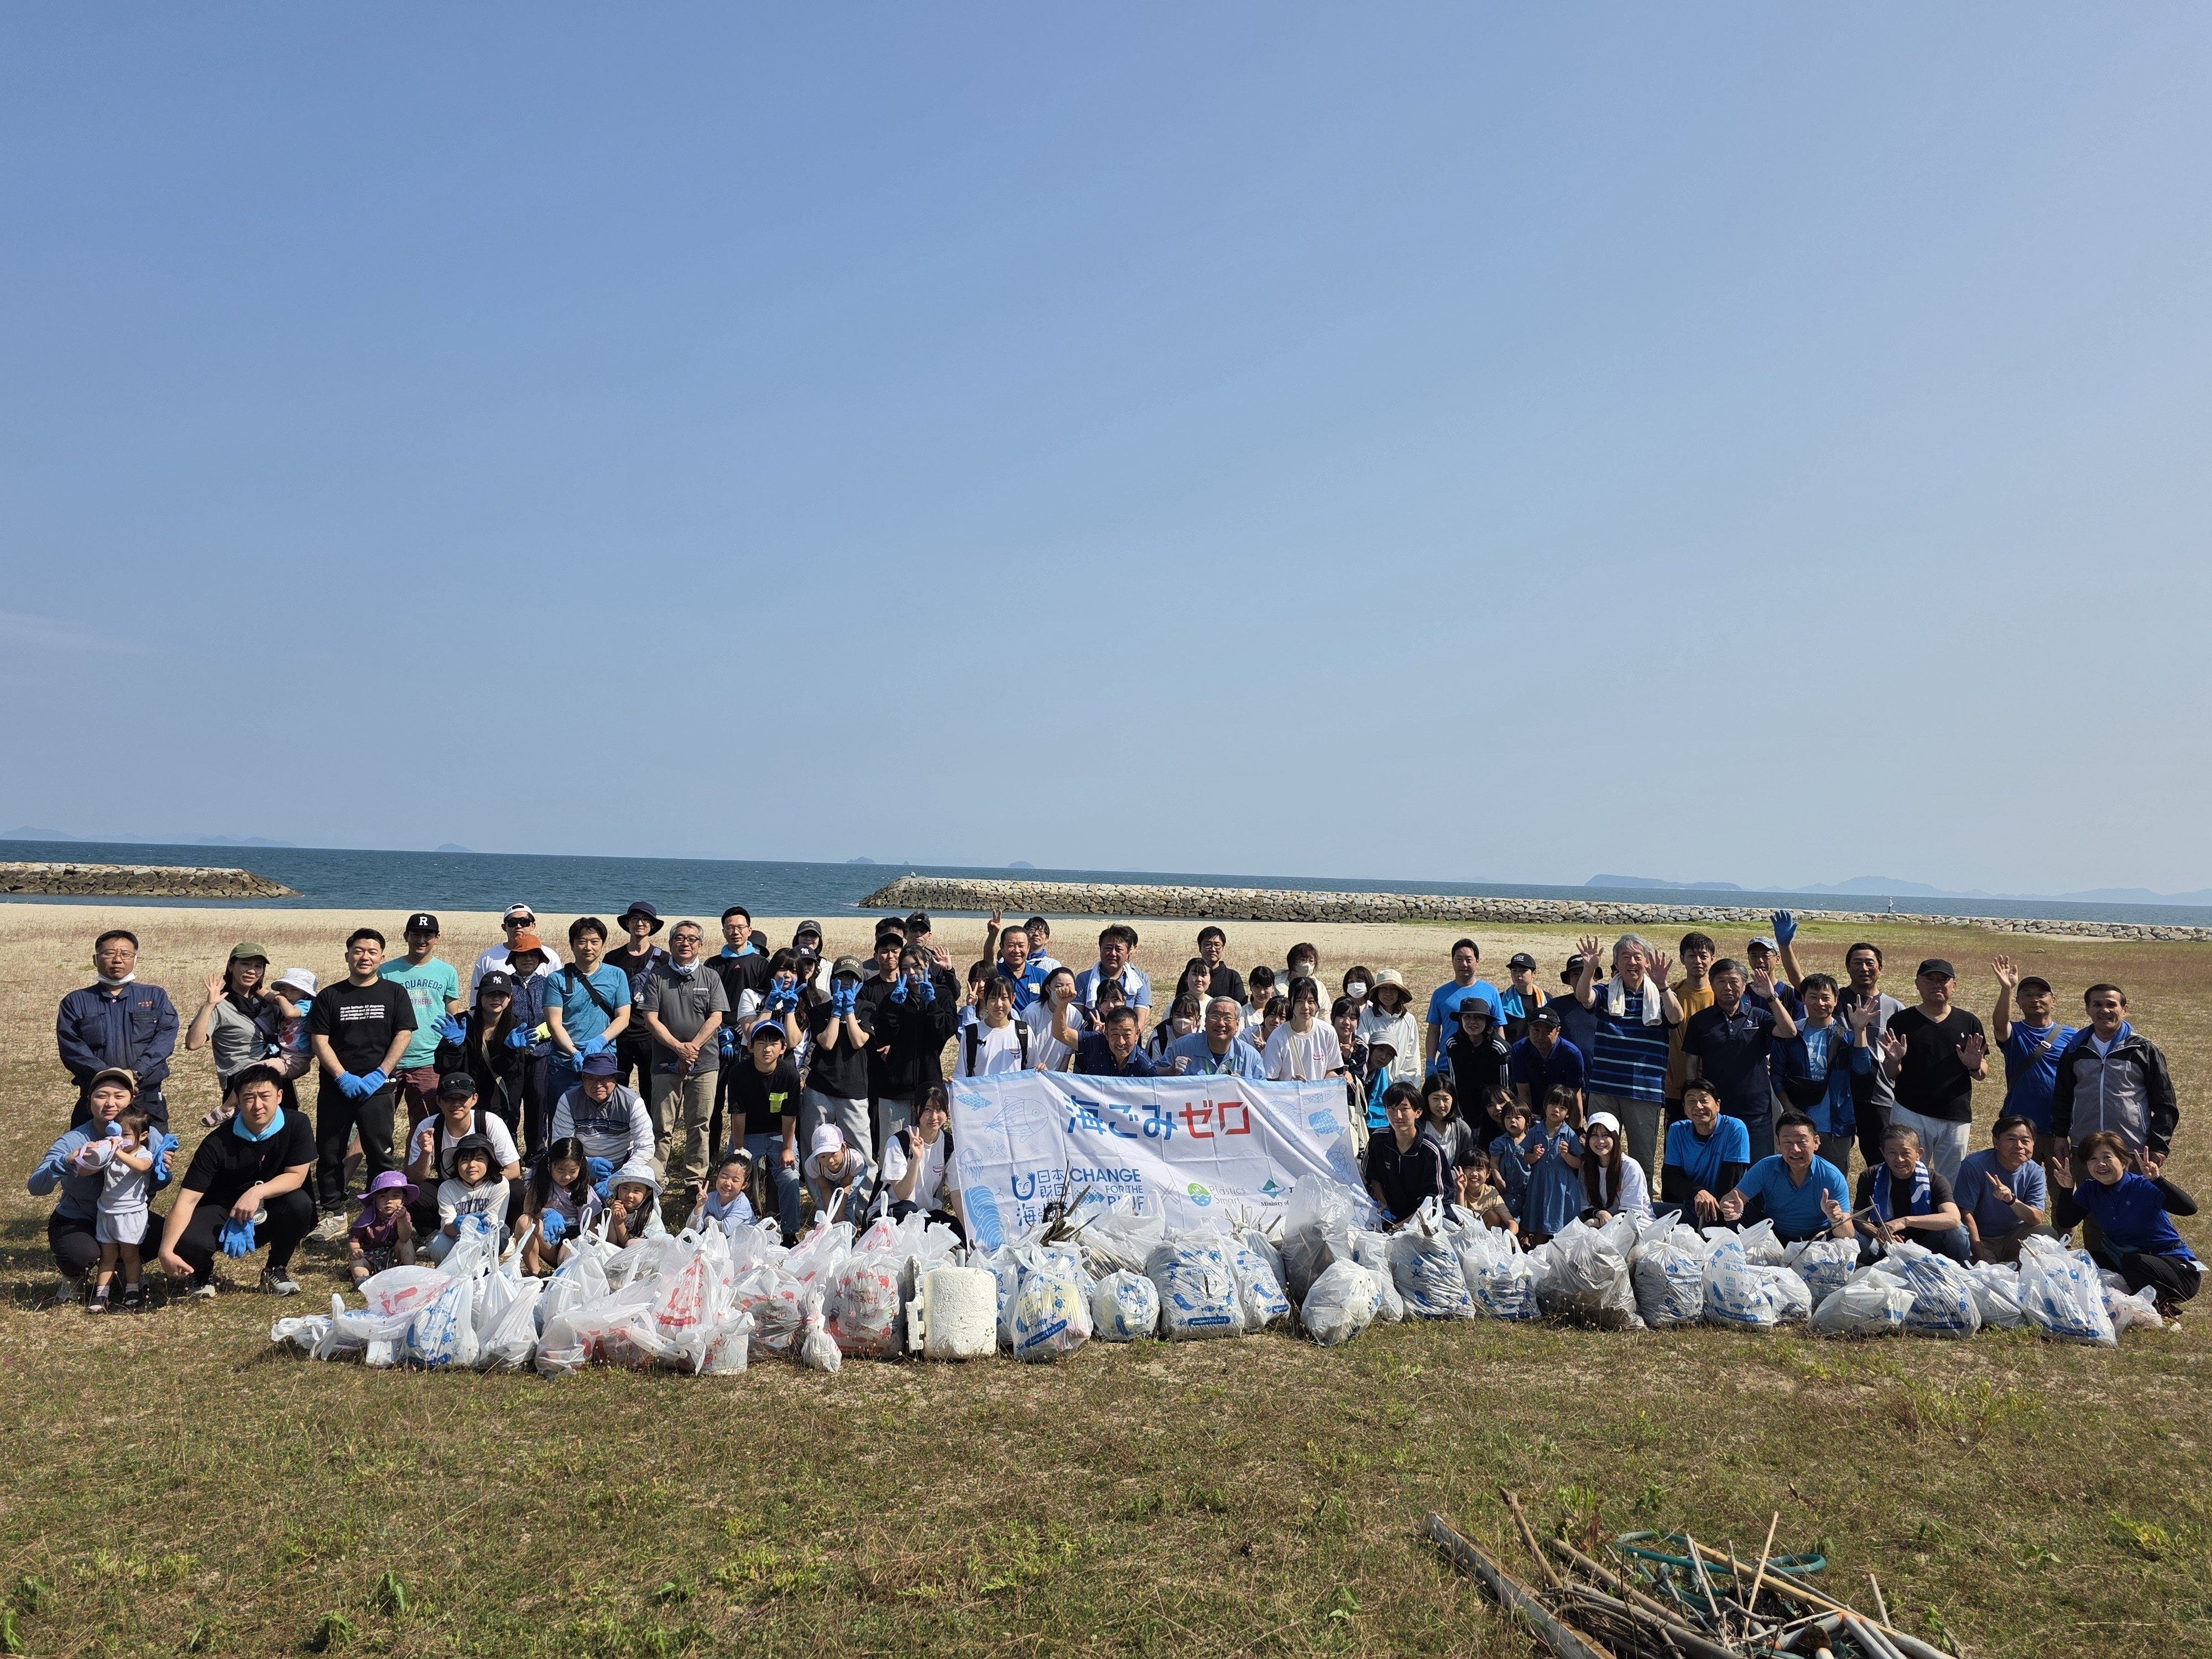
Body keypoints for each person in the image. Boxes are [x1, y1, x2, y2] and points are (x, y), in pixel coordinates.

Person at [156, 1064, 316, 1298]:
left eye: (265, 1096)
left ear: (280, 1096)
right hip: (220, 1213)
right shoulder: (217, 1142)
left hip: (269, 1210)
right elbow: (187, 1200)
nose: (258, 1105)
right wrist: (165, 1250)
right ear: (238, 1102)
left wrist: (256, 1193)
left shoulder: (297, 1124)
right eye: (249, 1098)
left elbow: (296, 1176)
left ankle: (276, 1268)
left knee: (301, 1204)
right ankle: (200, 1272)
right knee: (186, 1240)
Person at [306, 927, 418, 1233]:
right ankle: (333, 1211)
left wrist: (380, 1074)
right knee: (330, 1149)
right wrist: (342, 1076)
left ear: (382, 958)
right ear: (347, 956)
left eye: (371, 952)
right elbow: (320, 1040)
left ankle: (380, 1211)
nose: (364, 957)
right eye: (358, 951)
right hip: (336, 1086)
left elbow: (404, 1033)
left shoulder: (395, 993)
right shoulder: (330, 995)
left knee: (380, 1149)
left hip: (378, 1086)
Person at [29, 1069, 168, 1304]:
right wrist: (66, 1161)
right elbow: (36, 1186)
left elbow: (161, 1182)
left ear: (131, 1100)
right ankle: (73, 1276)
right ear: (89, 1101)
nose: (110, 1103)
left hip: (125, 1214)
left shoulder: (148, 1135)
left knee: (164, 1234)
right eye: (101, 1096)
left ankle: (126, 1266)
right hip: (79, 1217)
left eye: (119, 1096)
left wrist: (161, 1169)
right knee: (80, 1254)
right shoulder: (75, 1139)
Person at [1573, 932, 1683, 1185]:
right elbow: (1583, 997)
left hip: (1644, 1091)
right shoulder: (1605, 993)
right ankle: (1600, 1201)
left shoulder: (1660, 994)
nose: (1632, 962)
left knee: (1642, 1157)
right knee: (1599, 1151)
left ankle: (1640, 1210)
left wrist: (1664, 985)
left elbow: (1676, 1017)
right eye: (1625, 957)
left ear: (1647, 962)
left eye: (1638, 957)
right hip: (1605, 1088)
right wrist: (1589, 969)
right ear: (1616, 963)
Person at [2048, 1133, 2199, 1314]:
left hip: (2178, 1271)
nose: (2100, 1164)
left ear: (2123, 1160)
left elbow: (2189, 1209)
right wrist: (2066, 1189)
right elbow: (2067, 1221)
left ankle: (2162, 1308)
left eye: (2107, 1157)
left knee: (2135, 1263)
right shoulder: (2091, 1190)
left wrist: (2158, 1180)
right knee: (2084, 1261)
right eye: (2093, 1159)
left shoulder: (2143, 1186)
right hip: (2127, 1263)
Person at [632, 920, 728, 1204]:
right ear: (671, 943)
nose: (685, 943)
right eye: (679, 938)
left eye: (692, 939)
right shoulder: (657, 977)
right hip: (664, 1064)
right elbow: (651, 1019)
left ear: (700, 945)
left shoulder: (711, 977)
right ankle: (656, 1177)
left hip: (705, 1063)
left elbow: (717, 1017)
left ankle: (694, 1179)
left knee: (700, 1122)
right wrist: (677, 1048)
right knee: (662, 1124)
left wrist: (693, 1048)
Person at [1875, 958, 1988, 1185]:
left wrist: (1975, 1064)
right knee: (1908, 1173)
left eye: (1943, 980)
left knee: (1951, 1180)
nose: (1937, 985)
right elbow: (1891, 1073)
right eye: (1930, 979)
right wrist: (1894, 1059)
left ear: (1953, 985)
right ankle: (1908, 1218)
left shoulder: (1968, 1021)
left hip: (1955, 1115)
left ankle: (1947, 1219)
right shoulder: (1901, 1020)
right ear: (1917, 984)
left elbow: (1982, 1072)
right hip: (1911, 1111)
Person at [1681, 956, 1798, 1165]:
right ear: (1712, 985)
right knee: (1720, 1169)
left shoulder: (1760, 1016)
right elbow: (1691, 1064)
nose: (1728, 987)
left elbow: (1789, 1031)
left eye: (1734, 981)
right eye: (1721, 982)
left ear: (1745, 986)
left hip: (1756, 1110)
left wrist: (1772, 997)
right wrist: (1695, 1101)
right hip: (1716, 1111)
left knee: (1758, 1169)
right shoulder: (1700, 1021)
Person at [2050, 983, 2178, 1173]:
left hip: (2132, 1148)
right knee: (2090, 1202)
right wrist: (2060, 1135)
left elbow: (2165, 1103)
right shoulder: (2075, 1049)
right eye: (2097, 1005)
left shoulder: (2143, 1050)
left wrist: (2159, 1145)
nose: (2105, 1010)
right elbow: (2063, 1097)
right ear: (2088, 1010)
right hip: (2086, 1148)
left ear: (2124, 1010)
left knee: (2133, 1202)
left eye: (2111, 1005)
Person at [58, 928, 178, 1128]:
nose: (117, 960)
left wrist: (136, 1073)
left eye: (126, 954)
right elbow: (72, 1050)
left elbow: (165, 1040)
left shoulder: (155, 996)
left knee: (154, 1157)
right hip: (97, 1099)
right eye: (109, 953)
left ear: (135, 959)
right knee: (89, 1157)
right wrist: (113, 1078)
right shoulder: (76, 1001)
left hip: (146, 1098)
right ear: (96, 960)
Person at [540, 917, 632, 1140]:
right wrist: (574, 1052)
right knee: (561, 1119)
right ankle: (560, 1166)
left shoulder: (616, 975)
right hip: (564, 1061)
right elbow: (554, 1023)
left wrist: (600, 1041)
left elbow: (623, 1018)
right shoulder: (556, 979)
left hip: (603, 1061)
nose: (588, 947)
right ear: (572, 944)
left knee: (601, 1119)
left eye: (595, 941)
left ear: (603, 944)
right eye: (582, 941)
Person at [1815, 941, 1904, 1168]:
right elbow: (1803, 986)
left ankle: (1879, 1203)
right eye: (1857, 963)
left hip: (1879, 1096)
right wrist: (1785, 946)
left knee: (1880, 1161)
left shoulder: (1895, 1008)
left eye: (1870, 963)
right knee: (1832, 1160)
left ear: (1881, 968)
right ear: (1847, 967)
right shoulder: (1835, 1000)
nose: (1864, 968)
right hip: (1839, 1092)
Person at [405, 1072, 524, 1237]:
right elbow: (415, 1177)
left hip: (488, 1187)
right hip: (450, 1189)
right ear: (439, 1101)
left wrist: (478, 1188)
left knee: (518, 1190)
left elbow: (513, 1170)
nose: (456, 1104)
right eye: (449, 1099)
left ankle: (504, 1233)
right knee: (413, 1194)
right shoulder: (428, 1127)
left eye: (462, 1098)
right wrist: (425, 1154)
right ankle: (435, 1234)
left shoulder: (490, 1122)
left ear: (474, 1099)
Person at [867, 942, 959, 1149]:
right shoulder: (894, 996)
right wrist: (893, 1006)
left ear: (927, 965)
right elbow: (882, 1036)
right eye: (906, 968)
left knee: (927, 1147)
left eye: (917, 966)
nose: (912, 973)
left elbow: (945, 1032)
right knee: (893, 1147)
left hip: (929, 1082)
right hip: (894, 1086)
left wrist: (932, 1003)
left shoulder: (943, 994)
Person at [1988, 956, 2076, 1162]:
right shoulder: (2015, 1032)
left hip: (2060, 1130)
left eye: (2041, 994)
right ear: (2018, 1003)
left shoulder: (2073, 1036)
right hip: (2021, 1130)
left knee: (2061, 1190)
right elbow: (2000, 1025)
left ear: (2053, 1001)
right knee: (2017, 1188)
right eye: (2026, 995)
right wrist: (2006, 989)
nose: (2034, 999)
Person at [1717, 1111, 1853, 1244]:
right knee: (1740, 1214)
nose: (1795, 1149)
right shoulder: (1766, 1167)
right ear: (1778, 1143)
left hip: (1816, 1238)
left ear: (1816, 1142)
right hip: (1773, 1234)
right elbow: (1734, 1197)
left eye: (1802, 1142)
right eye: (1787, 1142)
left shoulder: (1831, 1176)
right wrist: (1729, 1206)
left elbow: (1849, 1234)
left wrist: (1836, 1219)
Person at [380, 912, 464, 1129]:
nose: (421, 940)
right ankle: (376, 1164)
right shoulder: (386, 971)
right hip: (390, 1058)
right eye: (416, 934)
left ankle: (417, 1164)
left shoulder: (447, 972)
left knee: (425, 1124)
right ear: (406, 936)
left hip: (429, 1060)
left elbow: (451, 1016)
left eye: (428, 935)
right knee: (378, 1123)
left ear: (437, 938)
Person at [728, 1020, 808, 1238]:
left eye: (773, 1043)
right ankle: (729, 1227)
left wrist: (787, 1148)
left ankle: (790, 1233)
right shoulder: (738, 1074)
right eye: (761, 1042)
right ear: (751, 1046)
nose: (767, 1048)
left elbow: (789, 1116)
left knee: (790, 1178)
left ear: (783, 1048)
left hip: (779, 1135)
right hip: (747, 1134)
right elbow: (738, 1116)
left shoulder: (790, 1074)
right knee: (731, 1175)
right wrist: (739, 1150)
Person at [1852, 1124, 1971, 1265]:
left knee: (1957, 1232)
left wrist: (1905, 1221)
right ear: (1883, 1153)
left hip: (1926, 1245)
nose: (1899, 1159)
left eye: (1905, 1153)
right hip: (1886, 1243)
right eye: (1892, 1153)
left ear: (1918, 1154)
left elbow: (1953, 1219)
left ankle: (1963, 1271)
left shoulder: (1935, 1179)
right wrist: (1880, 1233)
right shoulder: (1870, 1176)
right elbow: (1858, 1219)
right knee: (1855, 1239)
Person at [183, 943, 283, 1110]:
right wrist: (209, 1005)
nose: (252, 971)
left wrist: (276, 998)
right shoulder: (220, 1004)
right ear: (231, 966)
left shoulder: (267, 1003)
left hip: (275, 1078)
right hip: (241, 1085)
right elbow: (193, 1043)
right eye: (245, 964)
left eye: (258, 966)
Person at [804, 955, 879, 1174]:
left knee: (862, 1151)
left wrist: (849, 1010)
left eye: (852, 978)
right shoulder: (820, 1010)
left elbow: (859, 1041)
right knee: (815, 1149)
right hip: (820, 1088)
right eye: (841, 976)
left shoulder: (868, 1008)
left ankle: (863, 1206)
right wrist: (835, 1011)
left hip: (853, 1090)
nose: (846, 981)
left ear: (860, 983)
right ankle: (822, 1202)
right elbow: (827, 1043)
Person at [431, 971, 530, 1134]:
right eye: (491, 993)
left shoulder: (515, 1027)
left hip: (497, 1102)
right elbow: (442, 1067)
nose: (496, 999)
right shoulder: (461, 1023)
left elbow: (514, 1075)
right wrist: (454, 1047)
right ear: (480, 996)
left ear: (510, 998)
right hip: (462, 1098)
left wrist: (510, 1051)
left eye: (502, 994)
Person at [80, 1106, 156, 1313]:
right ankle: (100, 1295)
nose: (119, 1139)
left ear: (143, 1135)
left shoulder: (144, 1153)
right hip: (106, 1213)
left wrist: (118, 1152)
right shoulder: (112, 1150)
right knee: (107, 1256)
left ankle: (132, 1290)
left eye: (125, 1135)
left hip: (131, 1214)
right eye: (116, 1133)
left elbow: (142, 1167)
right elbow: (87, 1169)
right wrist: (94, 1152)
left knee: (130, 1255)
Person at [1956, 1114, 2051, 1263]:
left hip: (2013, 1237)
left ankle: (2016, 1265)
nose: (2019, 1146)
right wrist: (1981, 1254)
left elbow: (2036, 1218)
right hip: (1980, 1239)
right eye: (2011, 1139)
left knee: (2046, 1233)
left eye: (2025, 1141)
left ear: (2033, 1144)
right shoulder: (1974, 1165)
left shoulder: (2035, 1172)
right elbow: (1965, 1214)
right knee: (1958, 1238)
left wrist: (2011, 1200)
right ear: (1996, 1142)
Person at [1661, 1079, 1750, 1226]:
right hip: (1693, 1207)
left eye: (1704, 1100)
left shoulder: (1735, 1128)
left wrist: (1713, 1222)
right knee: (1645, 1215)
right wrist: (1697, 1192)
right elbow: (1671, 1177)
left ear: (1718, 1105)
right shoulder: (1677, 1130)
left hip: (1728, 1211)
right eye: (1691, 1101)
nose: (1698, 1106)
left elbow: (1732, 1180)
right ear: (1684, 1108)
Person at [547, 1052, 656, 1170]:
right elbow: (562, 1144)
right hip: (583, 1164)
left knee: (655, 1172)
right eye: (591, 1079)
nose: (598, 1085)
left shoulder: (632, 1102)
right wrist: (586, 1164)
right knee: (553, 1171)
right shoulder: (568, 1100)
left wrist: (625, 1173)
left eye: (604, 1078)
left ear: (615, 1078)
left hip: (625, 1163)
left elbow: (645, 1146)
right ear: (583, 1079)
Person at [877, 1084, 962, 1232]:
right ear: (916, 1110)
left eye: (939, 1109)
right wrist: (916, 1158)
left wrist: (968, 1232)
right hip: (893, 1212)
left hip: (926, 1213)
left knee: (956, 1227)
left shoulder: (949, 1146)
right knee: (909, 1209)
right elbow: (902, 1195)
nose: (934, 1117)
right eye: (927, 1110)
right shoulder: (899, 1142)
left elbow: (957, 1194)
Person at [1364, 1082, 1450, 1225]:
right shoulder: (1378, 1140)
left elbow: (1436, 1200)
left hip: (1421, 1222)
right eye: (1391, 1108)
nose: (1397, 1116)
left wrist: (1402, 1227)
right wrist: (1382, 1202)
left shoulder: (1431, 1151)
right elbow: (1372, 1176)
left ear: (1418, 1112)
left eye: (1404, 1109)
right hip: (1386, 1215)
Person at [604, 902, 669, 1091]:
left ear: (652, 925)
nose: (640, 923)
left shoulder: (663, 959)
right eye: (635, 919)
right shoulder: (613, 958)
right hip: (619, 1032)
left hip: (649, 1033)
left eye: (645, 919)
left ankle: (648, 1122)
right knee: (616, 1085)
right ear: (628, 924)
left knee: (650, 1087)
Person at [1424, 938, 1505, 1070]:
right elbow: (1433, 1030)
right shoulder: (1440, 994)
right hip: (1447, 1064)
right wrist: (1430, 1062)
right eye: (1459, 959)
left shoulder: (1491, 992)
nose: (1464, 964)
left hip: (1484, 1064)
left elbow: (1498, 1028)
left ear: (1477, 961)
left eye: (1469, 960)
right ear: (1452, 961)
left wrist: (1503, 1058)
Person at [520, 1138, 598, 1274]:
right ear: (550, 1165)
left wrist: (589, 1246)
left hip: (573, 1239)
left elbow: (591, 1226)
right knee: (523, 1221)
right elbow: (528, 1209)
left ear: (580, 1166)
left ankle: (567, 1274)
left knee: (569, 1254)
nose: (566, 1177)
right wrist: (546, 1213)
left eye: (572, 1171)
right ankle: (535, 1273)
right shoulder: (539, 1180)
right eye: (560, 1171)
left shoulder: (584, 1190)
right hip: (548, 1236)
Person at [1518, 1087, 1584, 1245]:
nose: (1556, 1110)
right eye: (1553, 1104)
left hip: (1562, 1185)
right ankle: (1539, 1254)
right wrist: (1535, 1156)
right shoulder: (1535, 1131)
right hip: (1540, 1182)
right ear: (1545, 1106)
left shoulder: (1569, 1134)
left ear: (1567, 1113)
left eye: (1562, 1108)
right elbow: (1525, 1157)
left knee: (1561, 1223)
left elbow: (1579, 1163)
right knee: (1540, 1222)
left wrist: (1567, 1156)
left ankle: (1561, 1257)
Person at [1662, 931, 1717, 1118]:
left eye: (1703, 956)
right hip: (1675, 1086)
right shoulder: (1672, 993)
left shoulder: (1721, 997)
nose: (1698, 961)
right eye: (1692, 956)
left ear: (1712, 959)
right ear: (1682, 959)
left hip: (1713, 1086)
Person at [1261, 977, 1346, 1082]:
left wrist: (1341, 1079)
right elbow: (1271, 1080)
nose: (1305, 1007)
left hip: (1318, 1097)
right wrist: (1290, 1084)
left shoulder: (1328, 1032)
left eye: (1310, 1001)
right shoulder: (1277, 1037)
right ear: (1291, 1002)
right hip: (1289, 1097)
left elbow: (1328, 1073)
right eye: (1300, 1001)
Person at [1509, 1008, 1585, 1123]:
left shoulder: (1572, 1054)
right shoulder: (1519, 1050)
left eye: (1547, 1031)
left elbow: (1574, 1095)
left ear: (1558, 1031)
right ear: (1529, 1028)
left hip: (1562, 1110)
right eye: (1536, 1030)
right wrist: (1527, 1127)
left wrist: (1576, 1129)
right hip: (1534, 1108)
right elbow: (1524, 1093)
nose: (1540, 1036)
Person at [1575, 1110, 1651, 1227]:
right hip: (1604, 1227)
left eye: (1606, 1135)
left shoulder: (1630, 1167)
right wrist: (1600, 1214)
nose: (1600, 1141)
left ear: (1615, 1138)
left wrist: (1598, 1222)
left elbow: (1631, 1214)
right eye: (1594, 1135)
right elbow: (1586, 1206)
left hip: (1636, 1228)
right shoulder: (1587, 1167)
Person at [1162, 997, 1269, 1078]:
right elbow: (1152, 1073)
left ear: (1237, 1025)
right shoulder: (1183, 1046)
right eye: (1215, 1017)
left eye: (1227, 1018)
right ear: (1205, 1022)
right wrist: (1169, 1071)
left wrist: (1243, 1086)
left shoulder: (1250, 1055)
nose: (1221, 1023)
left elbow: (1262, 1092)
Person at [468, 902, 564, 994]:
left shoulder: (549, 955)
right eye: (512, 923)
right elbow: (477, 992)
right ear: (504, 927)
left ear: (533, 926)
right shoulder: (488, 957)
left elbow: (558, 991)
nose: (518, 926)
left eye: (524, 922)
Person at [1443, 998, 1515, 1113]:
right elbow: (1455, 1080)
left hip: (1495, 1108)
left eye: (1478, 1017)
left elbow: (1504, 1089)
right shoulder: (1453, 1044)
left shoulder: (1499, 1049)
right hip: (1466, 1105)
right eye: (1467, 1017)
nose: (1472, 1022)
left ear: (1487, 1021)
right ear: (1461, 1020)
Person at [347, 1170, 418, 1285]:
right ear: (375, 1199)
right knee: (356, 1262)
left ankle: (409, 1271)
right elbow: (354, 1238)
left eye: (395, 1196)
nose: (389, 1201)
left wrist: (402, 1220)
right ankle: (365, 1281)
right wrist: (356, 1250)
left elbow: (404, 1237)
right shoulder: (367, 1217)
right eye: (383, 1196)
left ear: (403, 1199)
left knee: (406, 1243)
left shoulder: (403, 1216)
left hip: (395, 1253)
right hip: (371, 1256)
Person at [956, 977, 1034, 1076]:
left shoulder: (1024, 1032)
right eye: (993, 998)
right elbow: (960, 1076)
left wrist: (1042, 1070)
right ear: (985, 998)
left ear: (1013, 998)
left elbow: (1033, 1071)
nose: (999, 1004)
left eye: (1004, 998)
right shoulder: (971, 1033)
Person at [1357, 970, 1423, 1087]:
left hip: (1398, 1087)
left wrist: (1403, 1087)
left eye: (1393, 989)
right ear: (1377, 992)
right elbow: (1364, 1049)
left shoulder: (1409, 1020)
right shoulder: (1367, 1016)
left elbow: (1412, 1058)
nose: (1388, 993)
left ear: (1400, 993)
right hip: (1371, 1084)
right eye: (1384, 989)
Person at [1075, 925, 1151, 1025]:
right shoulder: (1084, 979)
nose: (1113, 953)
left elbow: (1140, 1022)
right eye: (1108, 948)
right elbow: (1075, 1018)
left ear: (1128, 952)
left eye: (1119, 949)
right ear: (1100, 949)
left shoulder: (1138, 983)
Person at [981, 907, 1050, 1011]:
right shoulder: (997, 972)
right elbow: (988, 959)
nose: (1016, 950)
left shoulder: (1042, 976)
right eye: (1011, 945)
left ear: (1028, 948)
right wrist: (993, 935)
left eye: (1021, 946)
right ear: (1002, 948)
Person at [802, 1124, 867, 1223]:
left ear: (843, 1148)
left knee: (847, 1206)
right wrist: (831, 1212)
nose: (830, 1161)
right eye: (823, 1157)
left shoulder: (855, 1161)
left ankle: (849, 1236)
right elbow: (824, 1188)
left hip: (849, 1176)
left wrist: (840, 1210)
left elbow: (846, 1185)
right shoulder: (813, 1165)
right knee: (825, 1207)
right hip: (827, 1178)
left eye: (833, 1154)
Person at [1550, 956, 1600, 1077]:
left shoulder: (1607, 1004)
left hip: (1601, 1075)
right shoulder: (1555, 1006)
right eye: (1576, 975)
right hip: (1565, 1075)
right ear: (1569, 980)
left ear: (1595, 977)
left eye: (1586, 973)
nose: (1582, 978)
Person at [1072, 1005, 1156, 1077]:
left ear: (1137, 1034)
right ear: (1107, 1034)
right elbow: (1063, 1034)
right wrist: (1063, 1003)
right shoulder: (1097, 1044)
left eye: (1127, 1035)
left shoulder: (1145, 1068)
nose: (1121, 1042)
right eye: (1115, 1034)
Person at [1488, 1098, 1535, 1219]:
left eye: (1518, 1118)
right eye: (1508, 1118)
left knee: (1527, 1225)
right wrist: (1498, 1179)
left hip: (1529, 1192)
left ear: (1527, 1121)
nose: (1512, 1121)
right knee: (1508, 1221)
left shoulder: (1533, 1140)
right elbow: (1494, 1162)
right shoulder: (1501, 1142)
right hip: (1507, 1192)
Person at [1417, 1078, 1480, 1168]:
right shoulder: (1416, 1126)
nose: (1441, 1105)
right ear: (1426, 1099)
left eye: (1446, 1099)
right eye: (1436, 1099)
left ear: (1453, 1100)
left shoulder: (1462, 1129)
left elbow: (1467, 1164)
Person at [687, 1150, 758, 1232]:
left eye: (735, 1180)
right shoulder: (710, 1198)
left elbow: (725, 1229)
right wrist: (700, 1206)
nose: (728, 1183)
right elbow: (691, 1230)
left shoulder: (742, 1204)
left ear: (744, 1185)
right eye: (724, 1177)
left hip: (745, 1242)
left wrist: (708, 1218)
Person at [1453, 1146, 1516, 1234]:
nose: (1474, 1174)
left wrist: (1508, 1237)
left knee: (1492, 1216)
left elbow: (1512, 1223)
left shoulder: (1491, 1192)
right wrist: (1461, 1191)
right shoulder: (1455, 1188)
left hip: (1485, 1239)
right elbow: (1460, 1220)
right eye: (1469, 1168)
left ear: (1488, 1174)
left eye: (1479, 1169)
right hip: (1461, 1234)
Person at [602, 1163, 666, 1246]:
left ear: (648, 1193)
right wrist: (613, 1217)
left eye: (636, 1191)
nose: (629, 1195)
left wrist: (619, 1224)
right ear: (618, 1189)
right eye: (625, 1188)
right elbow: (611, 1243)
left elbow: (630, 1246)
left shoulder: (650, 1216)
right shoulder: (616, 1209)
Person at [1498, 953, 1548, 1042]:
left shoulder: (1546, 999)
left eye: (1523, 970)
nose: (1518, 975)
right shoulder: (1501, 999)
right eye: (1514, 971)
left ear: (1534, 974)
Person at [1144, 994, 1203, 1064]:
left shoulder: (1203, 1039)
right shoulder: (1159, 1039)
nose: (1183, 1020)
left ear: (1198, 1018)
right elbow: (1154, 1069)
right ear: (1172, 1015)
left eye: (1188, 1016)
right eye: (1178, 1015)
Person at [1196, 926, 1246, 1005]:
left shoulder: (1233, 977)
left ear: (1223, 948)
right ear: (1200, 947)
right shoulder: (1191, 975)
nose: (1213, 949)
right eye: (1208, 944)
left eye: (1217, 945)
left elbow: (1241, 1008)